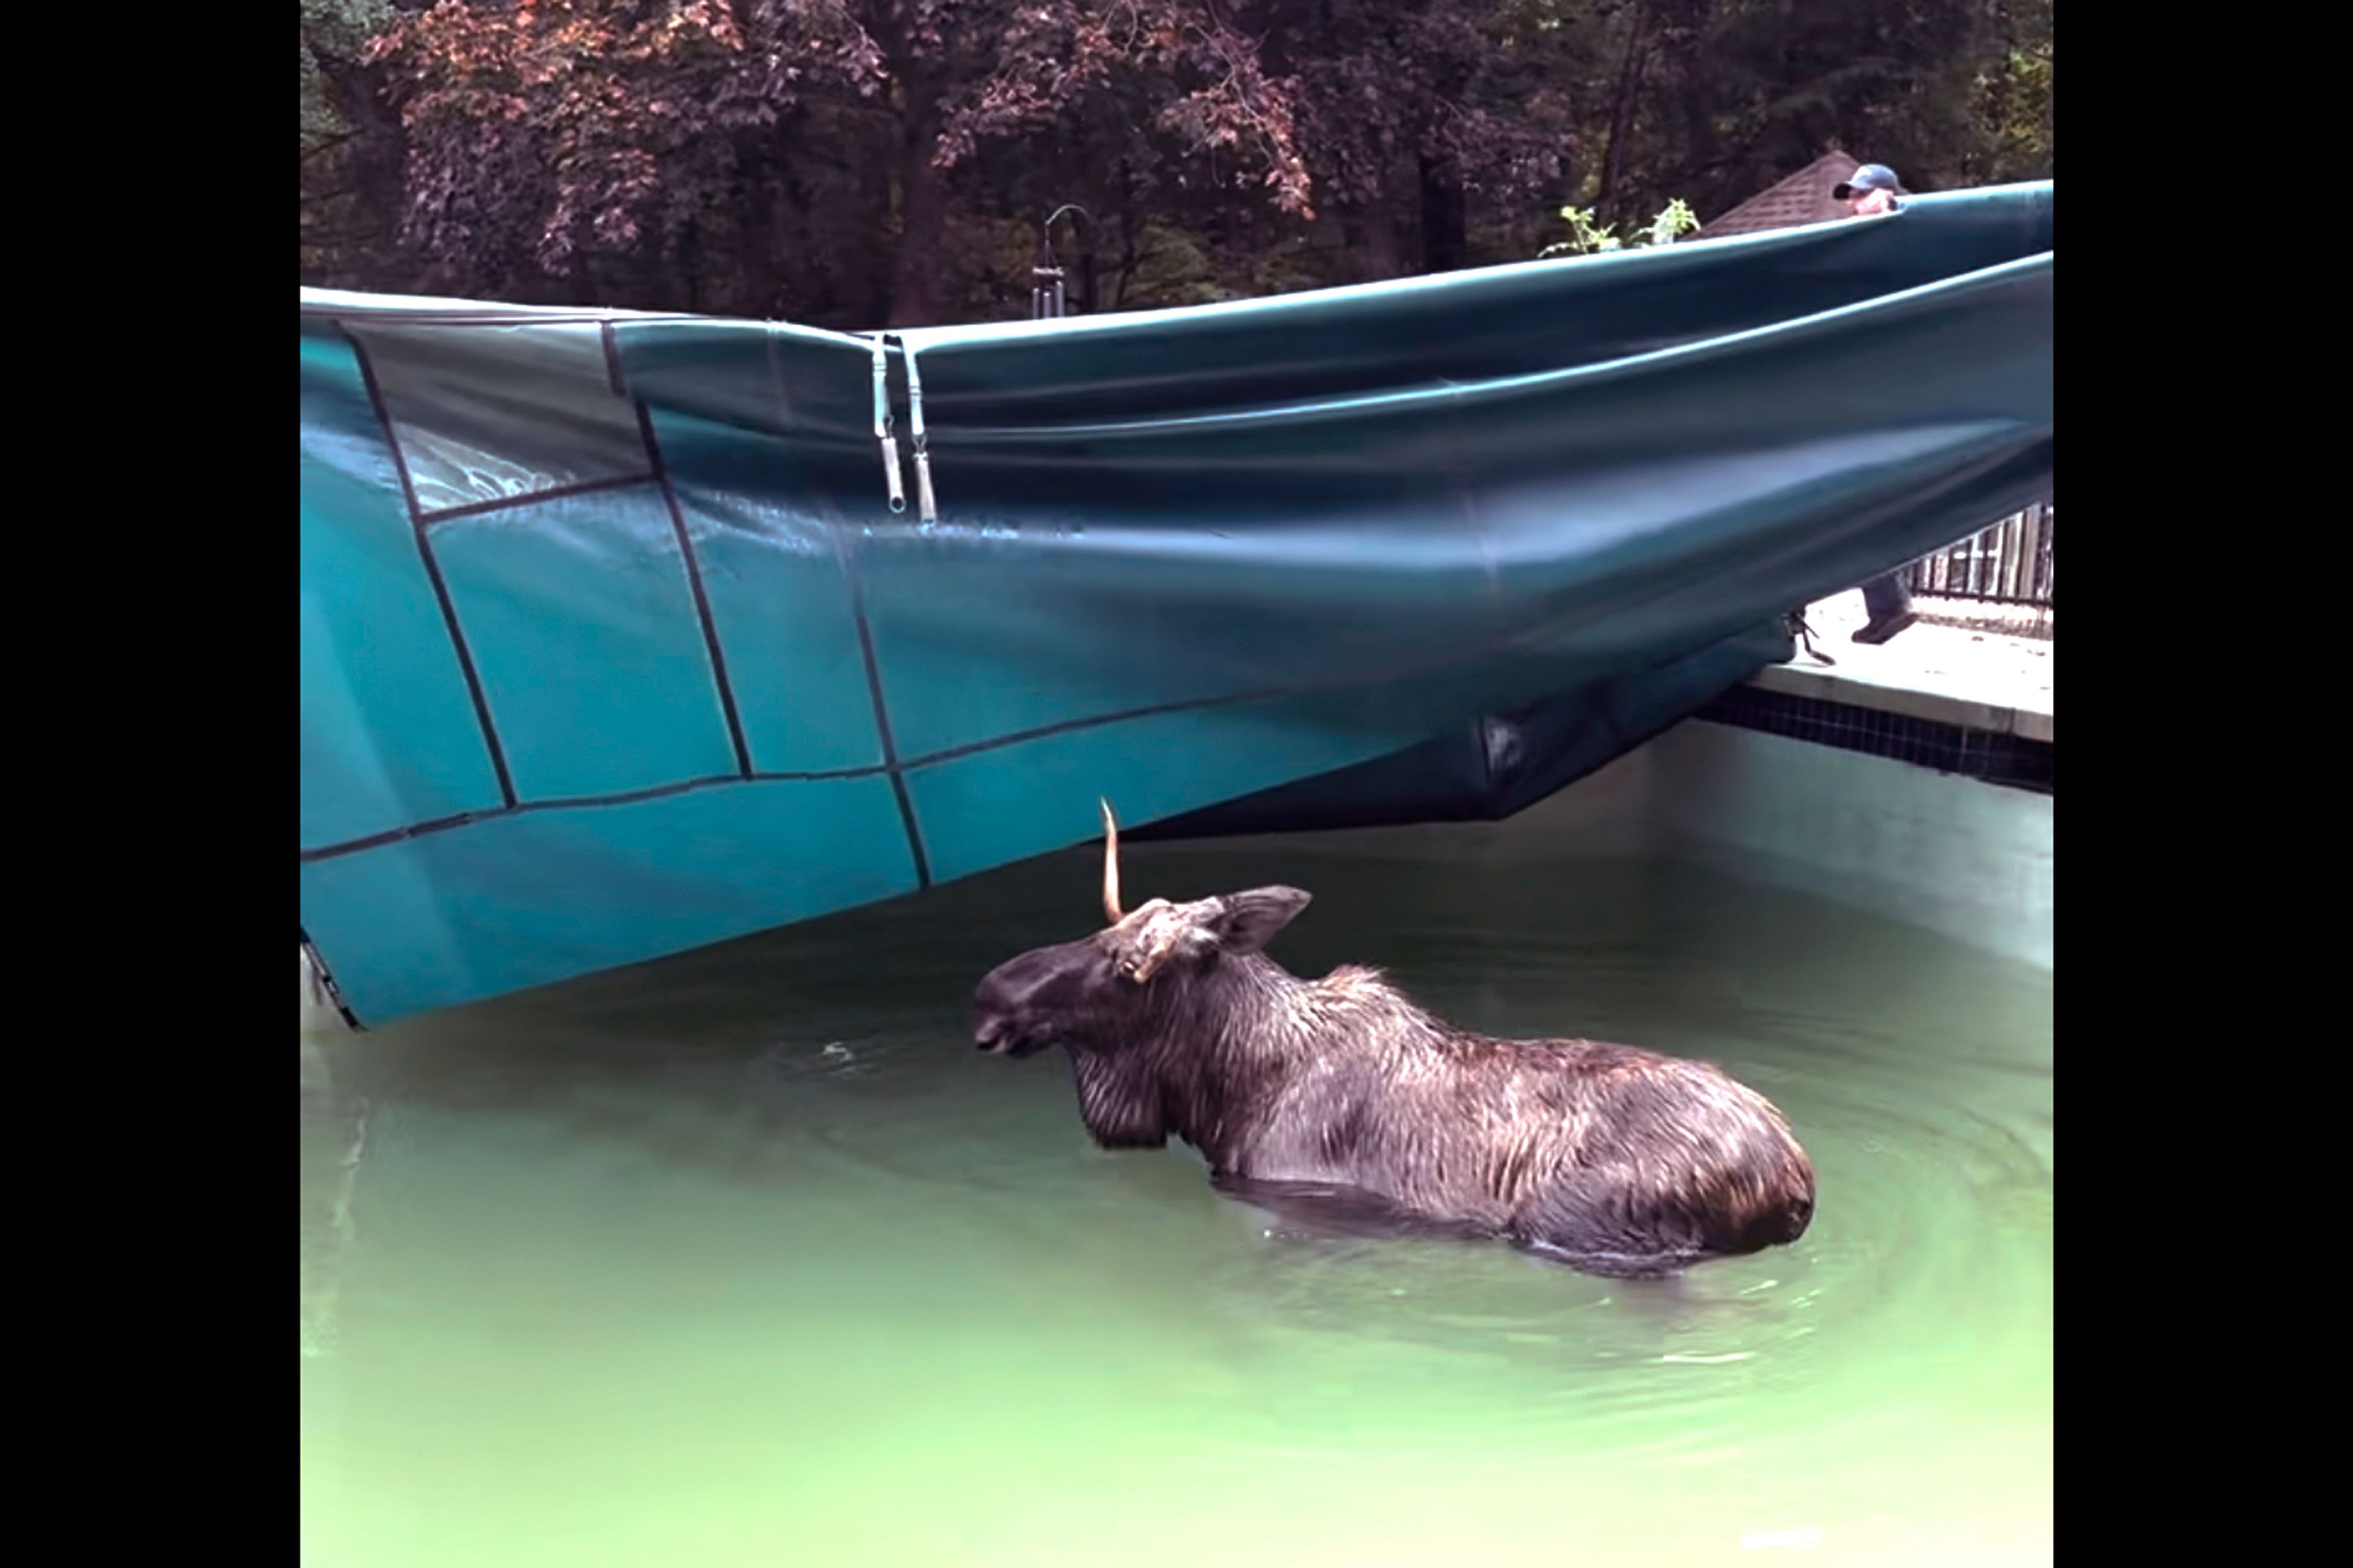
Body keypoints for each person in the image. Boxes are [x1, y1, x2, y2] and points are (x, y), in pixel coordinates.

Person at [1833, 163, 1919, 645]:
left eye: (1862, 195)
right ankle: (1887, 603)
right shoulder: (1860, 249)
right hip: (1867, 393)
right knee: (1853, 503)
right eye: (1851, 195)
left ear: (1886, 195)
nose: (1852, 203)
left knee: (1849, 499)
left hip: (1885, 398)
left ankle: (1888, 602)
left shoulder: (1901, 239)